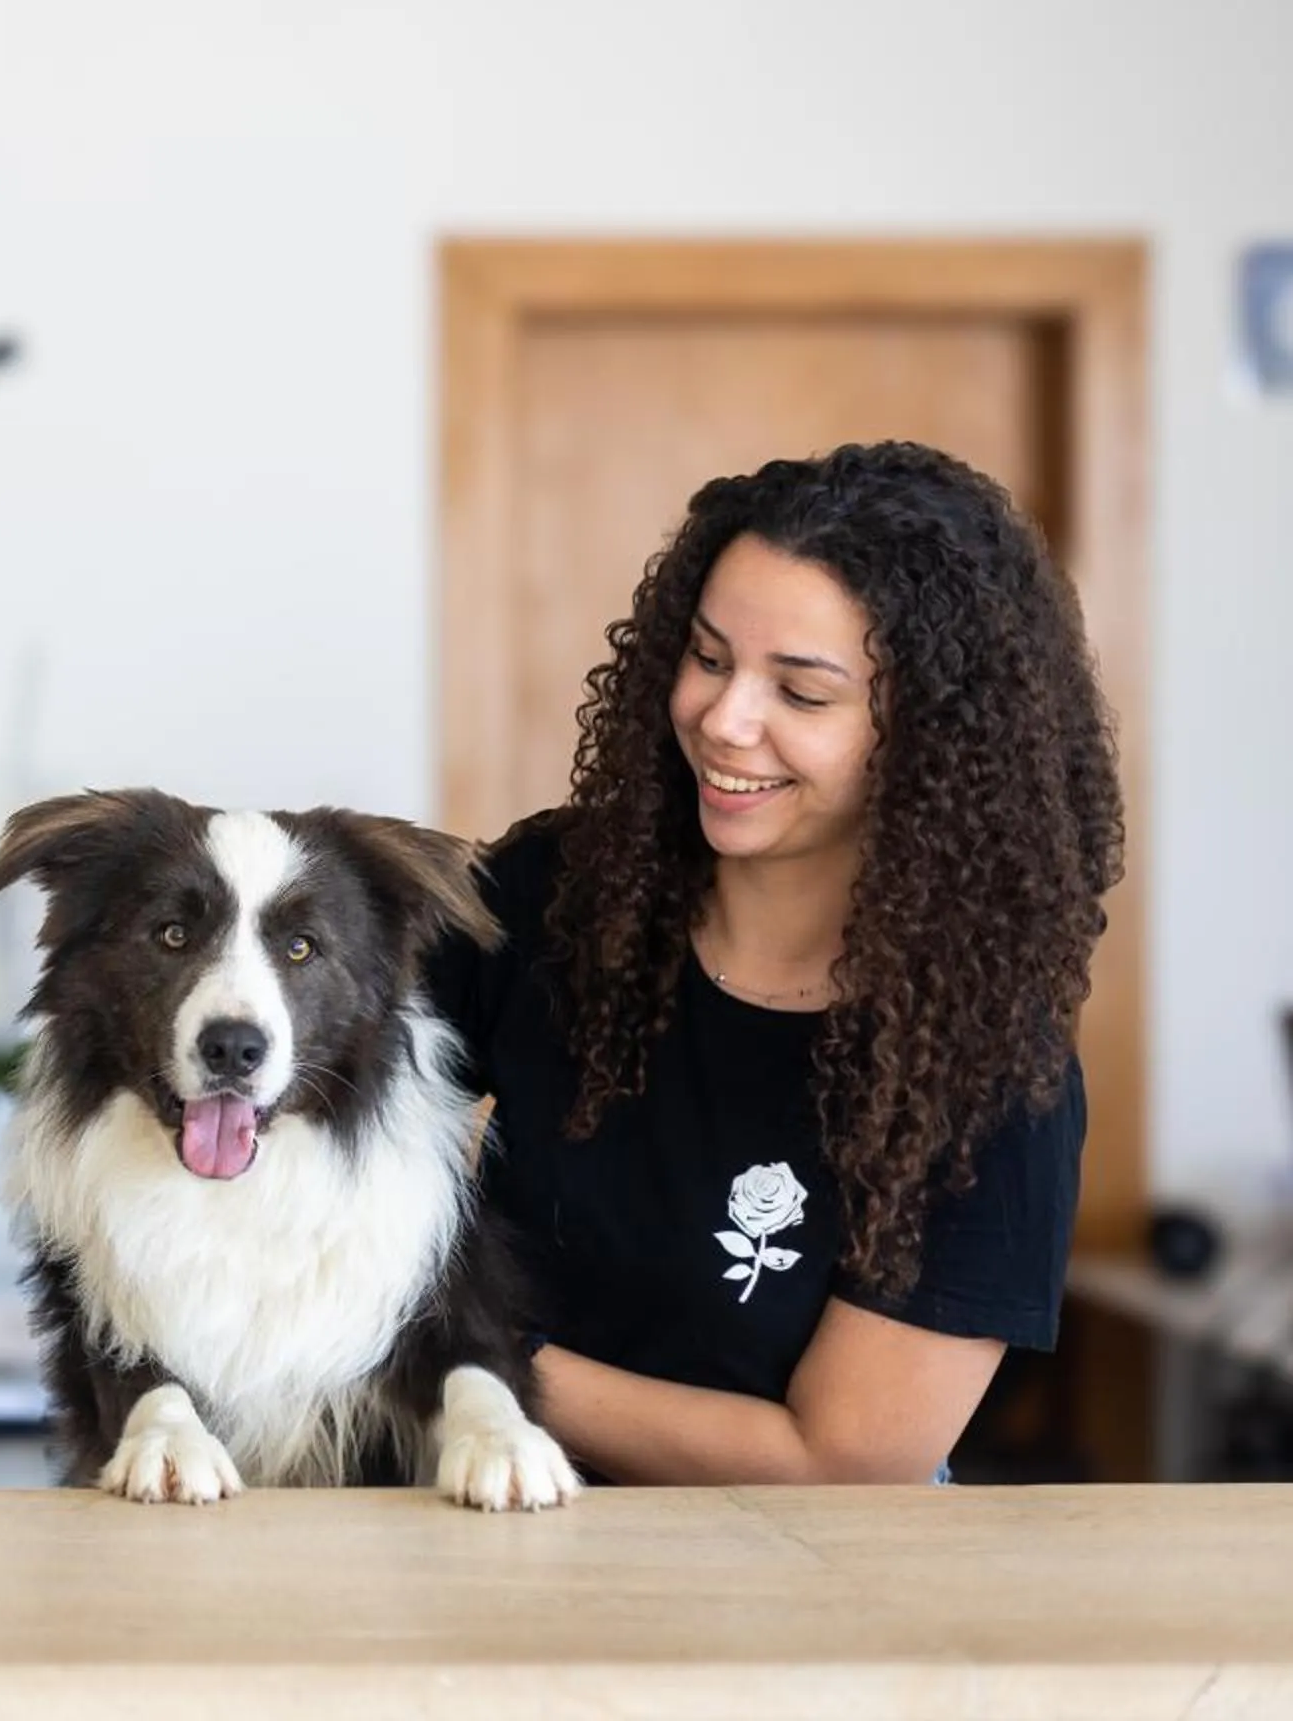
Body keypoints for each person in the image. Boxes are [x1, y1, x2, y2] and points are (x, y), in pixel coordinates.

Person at [426, 440, 1122, 1484]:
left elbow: (842, 1461)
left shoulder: (981, 1071)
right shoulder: (561, 892)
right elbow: (324, 1077)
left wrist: (454, 1357)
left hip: (794, 1588)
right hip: (481, 1508)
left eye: (801, 693)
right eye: (708, 657)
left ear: (926, 743)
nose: (723, 718)